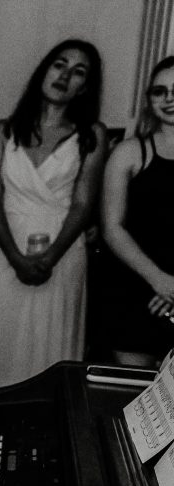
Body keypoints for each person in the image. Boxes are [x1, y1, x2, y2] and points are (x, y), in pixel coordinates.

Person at [0, 40, 106, 391]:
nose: (65, 75)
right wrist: (15, 257)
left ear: (85, 87)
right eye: (59, 64)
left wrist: (49, 256)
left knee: (50, 347)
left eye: (79, 72)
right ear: (44, 70)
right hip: (4, 248)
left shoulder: (92, 136)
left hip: (62, 252)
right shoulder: (1, 132)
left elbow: (83, 204)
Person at [100, 56, 174, 367]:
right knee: (128, 399)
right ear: (148, 100)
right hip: (134, 291)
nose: (169, 99)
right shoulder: (129, 152)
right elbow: (112, 227)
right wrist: (161, 281)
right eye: (160, 91)